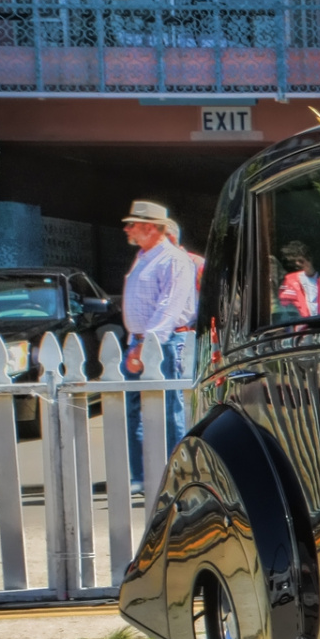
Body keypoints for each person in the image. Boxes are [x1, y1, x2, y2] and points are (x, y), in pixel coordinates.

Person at [120, 199, 197, 493]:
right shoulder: (143, 256)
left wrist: (146, 345)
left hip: (163, 341)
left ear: (151, 228)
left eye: (133, 224)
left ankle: (177, 475)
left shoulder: (174, 260)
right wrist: (135, 342)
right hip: (139, 342)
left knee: (170, 408)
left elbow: (168, 308)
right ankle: (142, 475)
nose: (127, 229)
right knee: (134, 409)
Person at [277, 241, 320, 319]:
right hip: (299, 323)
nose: (297, 264)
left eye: (301, 261)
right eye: (294, 262)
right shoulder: (290, 280)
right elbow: (285, 304)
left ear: (310, 260)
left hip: (318, 323)